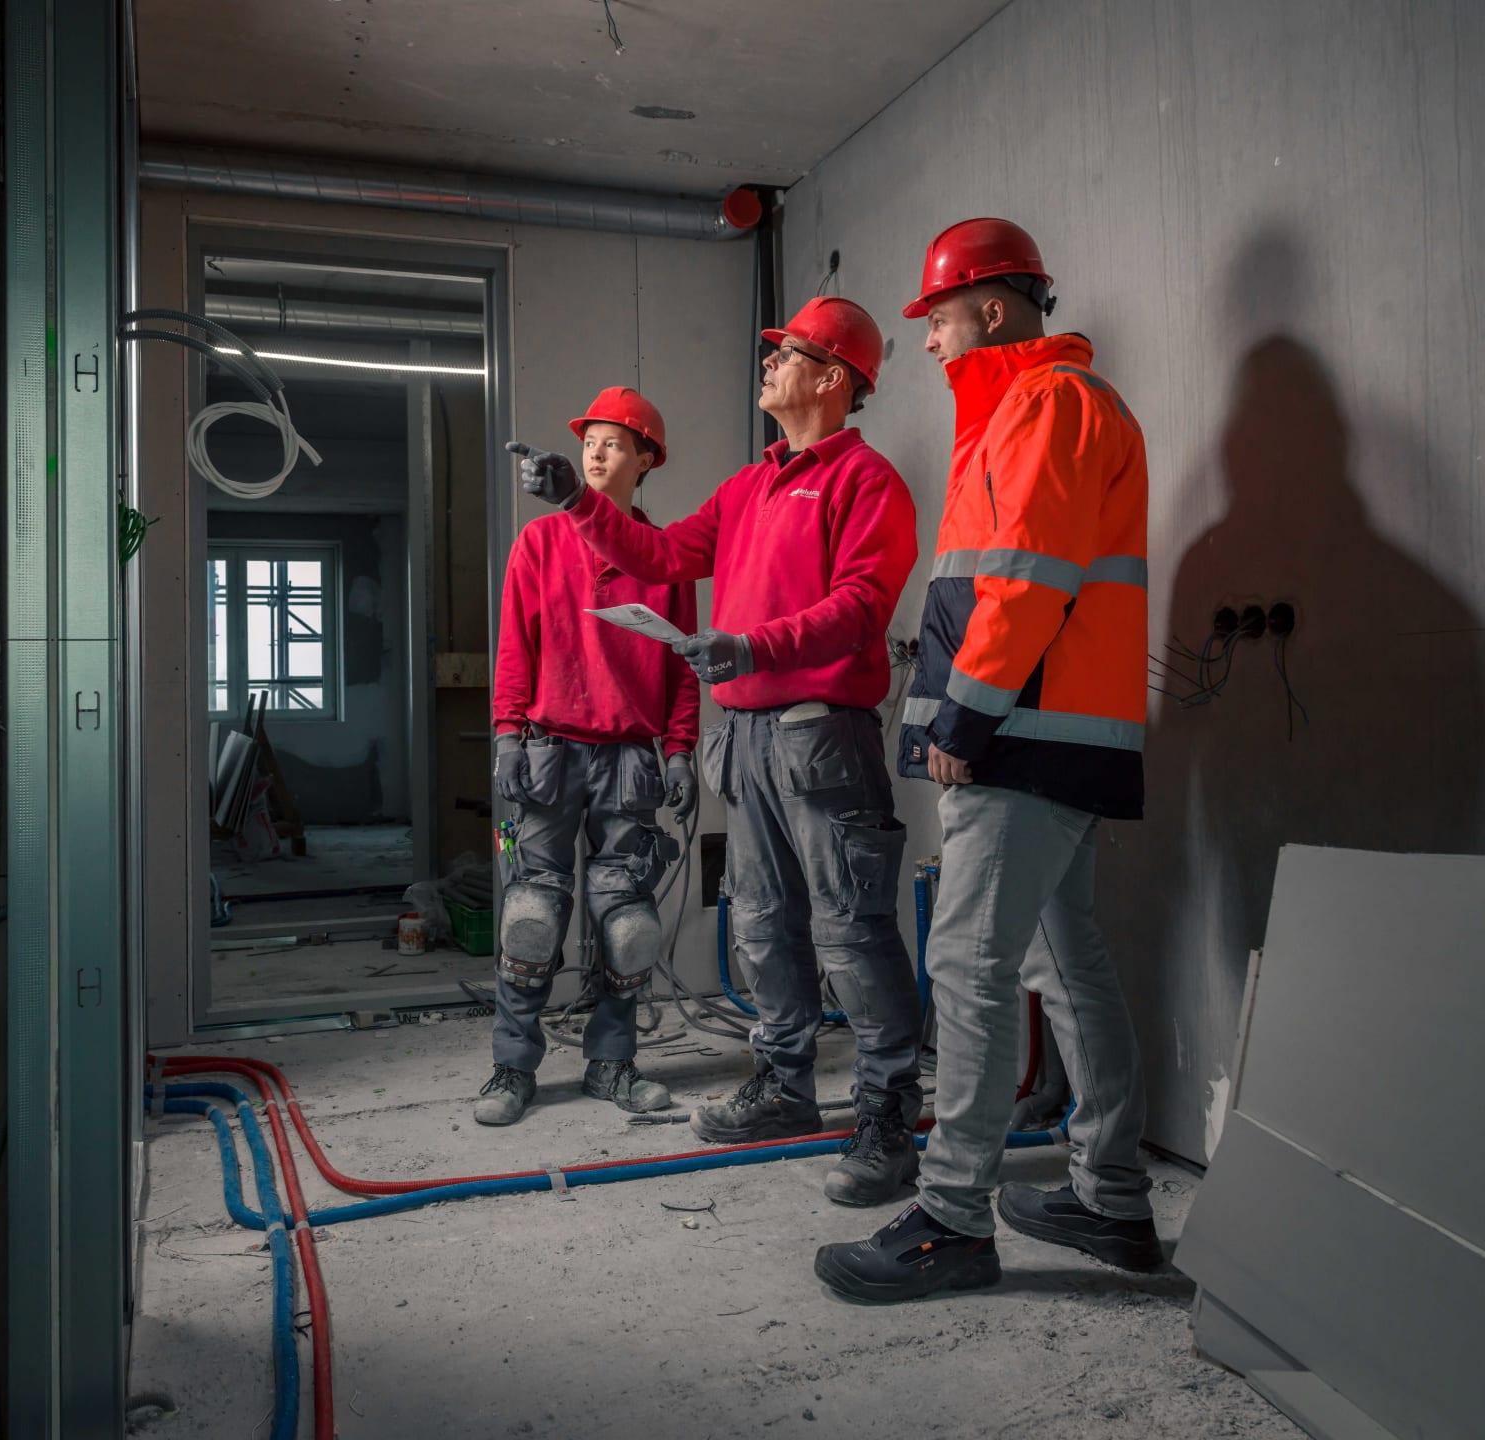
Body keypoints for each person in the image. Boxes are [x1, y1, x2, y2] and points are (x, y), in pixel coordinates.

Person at [507, 298, 924, 1206]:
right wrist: (577, 500)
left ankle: (888, 1117)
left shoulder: (866, 482)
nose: (767, 365)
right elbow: (658, 556)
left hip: (822, 735)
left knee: (851, 929)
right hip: (749, 738)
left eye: (787, 354)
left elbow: (862, 606)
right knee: (762, 924)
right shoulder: (748, 487)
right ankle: (784, 1087)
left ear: (832, 378)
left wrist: (752, 647)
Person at [815, 219, 1161, 1302]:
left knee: (969, 967)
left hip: (1023, 739)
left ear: (992, 310)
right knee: (1067, 963)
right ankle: (1111, 1197)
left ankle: (953, 1220)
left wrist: (961, 724)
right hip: (1056, 735)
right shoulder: (1039, 408)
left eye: (938, 318)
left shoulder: (1047, 405)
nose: (927, 341)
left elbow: (1023, 584)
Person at [474, 387, 699, 1126]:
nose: (596, 453)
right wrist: (508, 733)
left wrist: (681, 751)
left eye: (613, 443)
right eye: (589, 441)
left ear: (646, 459)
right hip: (550, 752)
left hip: (629, 759)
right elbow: (515, 646)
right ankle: (513, 1069)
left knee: (627, 926)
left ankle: (612, 1063)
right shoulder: (539, 543)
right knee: (531, 918)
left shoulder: (665, 558)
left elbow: (683, 667)